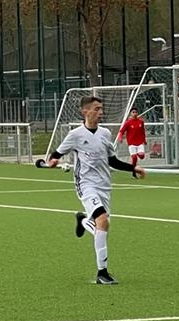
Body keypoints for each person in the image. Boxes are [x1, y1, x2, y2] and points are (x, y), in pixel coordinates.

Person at [47, 96, 145, 285]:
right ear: (85, 111)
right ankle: (102, 272)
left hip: (104, 185)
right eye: (97, 109)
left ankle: (83, 221)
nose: (101, 112)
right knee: (102, 221)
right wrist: (53, 161)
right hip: (86, 184)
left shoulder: (105, 133)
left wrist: (133, 168)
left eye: (101, 109)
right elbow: (56, 154)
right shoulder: (75, 135)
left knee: (103, 225)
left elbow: (112, 161)